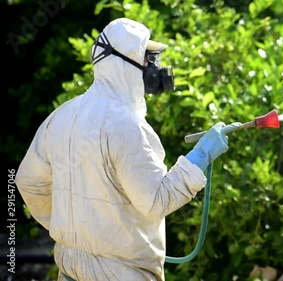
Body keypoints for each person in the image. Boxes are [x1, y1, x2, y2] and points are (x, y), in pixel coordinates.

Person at [15, 17, 240, 281]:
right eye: (147, 58)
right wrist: (200, 156)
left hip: (70, 271)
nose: (153, 68)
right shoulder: (127, 126)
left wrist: (71, 230)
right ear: (124, 64)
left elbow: (28, 181)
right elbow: (156, 200)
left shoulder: (62, 116)